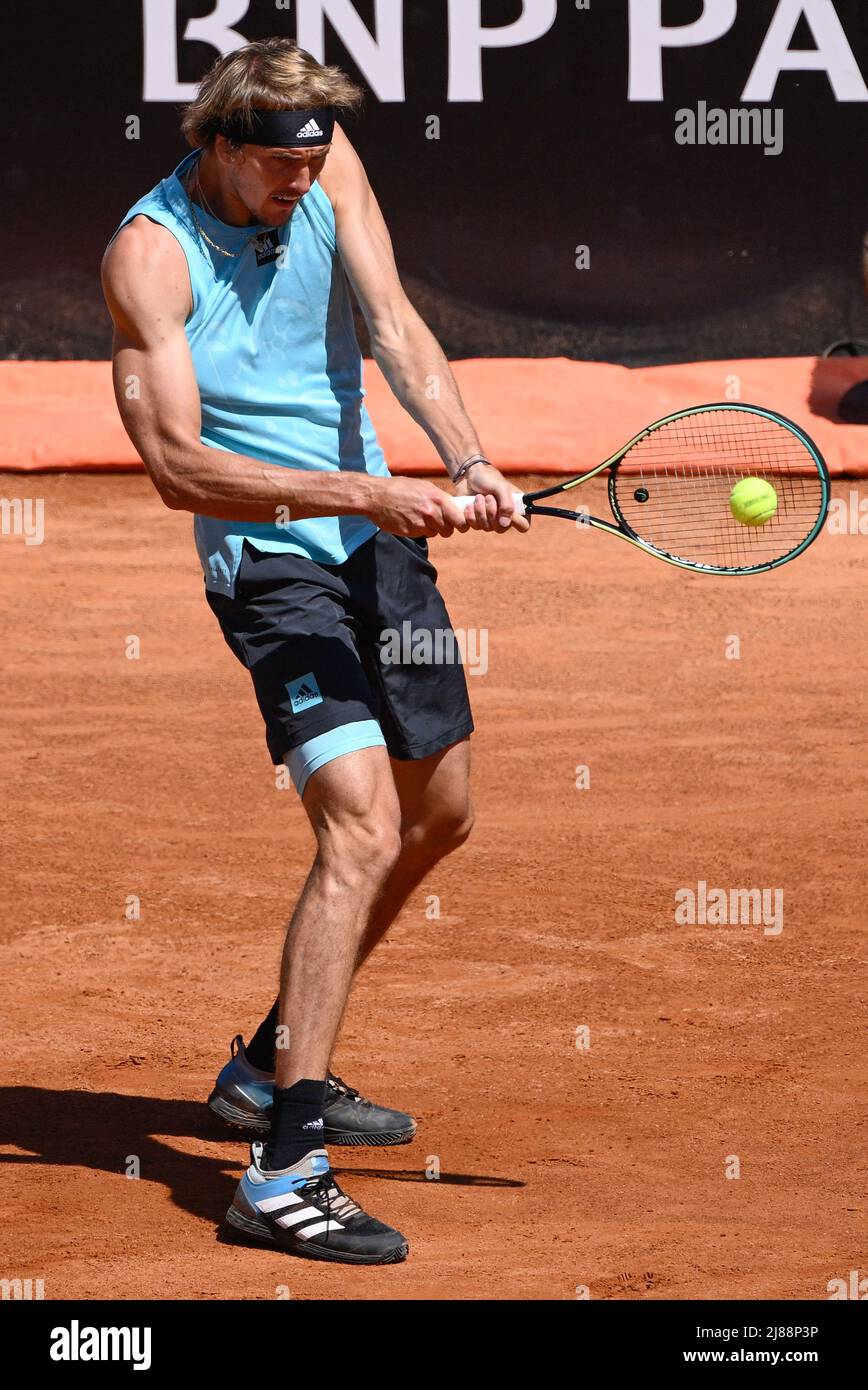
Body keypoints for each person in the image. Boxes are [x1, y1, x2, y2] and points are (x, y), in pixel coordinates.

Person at [101, 37, 528, 1265]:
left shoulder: (329, 168)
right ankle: (281, 1169)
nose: (302, 181)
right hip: (270, 557)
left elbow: (394, 325)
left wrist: (465, 456)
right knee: (359, 827)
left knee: (438, 810)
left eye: (313, 158)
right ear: (221, 147)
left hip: (374, 534)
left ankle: (267, 1065)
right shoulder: (149, 253)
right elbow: (178, 468)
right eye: (278, 166)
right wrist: (352, 486)